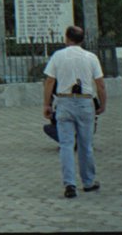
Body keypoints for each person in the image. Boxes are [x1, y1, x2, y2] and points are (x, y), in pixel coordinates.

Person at [42, 26, 107, 198]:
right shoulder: (91, 57)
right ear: (82, 39)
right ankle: (88, 181)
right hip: (85, 101)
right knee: (86, 145)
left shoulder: (58, 56)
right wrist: (102, 104)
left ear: (67, 38)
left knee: (66, 145)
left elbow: (49, 81)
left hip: (64, 101)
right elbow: (100, 84)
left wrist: (46, 104)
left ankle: (69, 183)